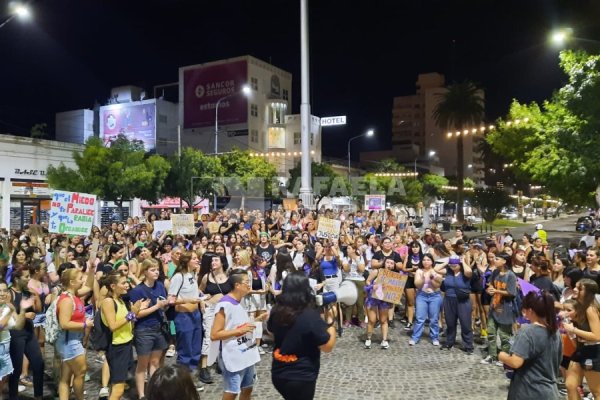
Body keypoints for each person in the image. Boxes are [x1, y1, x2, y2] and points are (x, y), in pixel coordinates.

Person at [267, 272, 336, 400]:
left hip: (278, 373)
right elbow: (327, 347)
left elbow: (271, 332)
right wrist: (331, 323)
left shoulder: (276, 310)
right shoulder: (309, 315)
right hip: (301, 376)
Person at [209, 269, 266, 400]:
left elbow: (238, 324)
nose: (249, 285)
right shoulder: (224, 304)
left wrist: (257, 320)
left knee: (248, 388)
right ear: (237, 285)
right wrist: (240, 331)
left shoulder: (240, 301)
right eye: (247, 282)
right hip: (233, 355)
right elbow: (215, 334)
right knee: (232, 391)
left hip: (246, 353)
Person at [499, 291, 562, 400]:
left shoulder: (527, 331)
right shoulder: (556, 332)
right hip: (550, 391)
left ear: (531, 311)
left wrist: (502, 356)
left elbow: (515, 362)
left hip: (529, 391)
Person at [101, 271, 148, 400]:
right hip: (117, 347)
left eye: (127, 282)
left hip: (125, 344)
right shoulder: (108, 302)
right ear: (113, 286)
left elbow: (127, 323)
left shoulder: (120, 300)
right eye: (123, 283)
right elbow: (113, 326)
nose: (127, 285)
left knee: (117, 385)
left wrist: (136, 312)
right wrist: (132, 314)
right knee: (118, 388)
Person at [128, 259, 169, 400]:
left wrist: (165, 304)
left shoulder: (160, 286)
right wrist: (157, 306)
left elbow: (162, 302)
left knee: (155, 362)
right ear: (145, 272)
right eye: (152, 269)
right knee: (142, 364)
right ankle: (142, 395)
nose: (156, 272)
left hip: (158, 327)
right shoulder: (137, 291)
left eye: (157, 269)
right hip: (144, 330)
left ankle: (153, 391)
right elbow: (136, 314)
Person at [55, 268, 94, 400]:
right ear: (72, 282)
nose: (82, 280)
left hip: (72, 339)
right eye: (79, 279)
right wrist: (84, 325)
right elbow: (64, 324)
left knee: (66, 376)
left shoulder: (74, 294)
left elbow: (89, 286)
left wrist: (92, 270)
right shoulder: (67, 300)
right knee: (81, 372)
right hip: (69, 341)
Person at [168, 251, 204, 388]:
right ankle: (182, 381)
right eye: (194, 258)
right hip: (183, 317)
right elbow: (171, 299)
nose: (197, 261)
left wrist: (200, 295)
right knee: (185, 350)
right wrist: (189, 300)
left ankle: (191, 376)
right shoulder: (178, 277)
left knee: (195, 349)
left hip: (195, 315)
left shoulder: (192, 275)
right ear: (187, 261)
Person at [564, 278, 600, 399]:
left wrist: (573, 330)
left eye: (579, 288)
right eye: (575, 286)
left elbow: (597, 335)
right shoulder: (579, 307)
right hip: (581, 350)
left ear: (588, 292)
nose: (574, 289)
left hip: (593, 352)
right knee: (570, 385)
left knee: (596, 391)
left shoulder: (591, 309)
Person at [481, 252, 518, 366]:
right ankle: (492, 355)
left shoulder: (510, 275)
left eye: (497, 258)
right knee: (491, 333)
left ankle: (504, 356)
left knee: (504, 335)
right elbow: (491, 284)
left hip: (505, 308)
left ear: (504, 261)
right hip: (494, 306)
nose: (494, 260)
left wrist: (496, 291)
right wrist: (490, 289)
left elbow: (511, 292)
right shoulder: (496, 272)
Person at [409, 254, 445, 346]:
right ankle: (415, 337)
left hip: (435, 296)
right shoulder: (419, 271)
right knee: (419, 318)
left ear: (432, 261)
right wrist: (423, 278)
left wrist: (432, 278)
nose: (426, 262)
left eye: (428, 260)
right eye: (424, 260)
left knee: (434, 319)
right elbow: (417, 285)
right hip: (422, 295)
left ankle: (434, 337)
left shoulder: (436, 271)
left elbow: (438, 285)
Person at [441, 255, 473, 353]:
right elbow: (436, 268)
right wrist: (447, 261)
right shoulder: (448, 273)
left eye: (455, 264)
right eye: (451, 264)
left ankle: (468, 345)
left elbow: (469, 271)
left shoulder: (464, 274)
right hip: (449, 300)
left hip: (462, 301)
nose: (453, 266)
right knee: (450, 323)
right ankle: (449, 341)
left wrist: (463, 261)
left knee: (465, 324)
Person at [364, 258, 396, 349]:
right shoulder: (376, 272)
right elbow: (367, 281)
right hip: (373, 298)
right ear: (384, 263)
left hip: (384, 300)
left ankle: (384, 340)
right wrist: (372, 286)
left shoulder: (394, 276)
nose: (389, 265)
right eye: (388, 262)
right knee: (372, 320)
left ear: (393, 266)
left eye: (391, 263)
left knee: (383, 320)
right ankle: (368, 338)